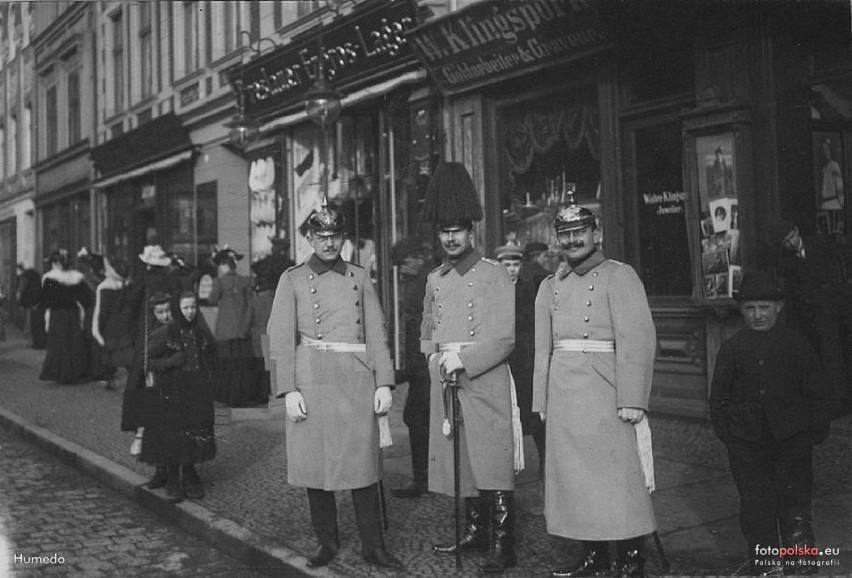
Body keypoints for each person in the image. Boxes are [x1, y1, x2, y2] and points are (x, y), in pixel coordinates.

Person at [265, 197, 403, 570]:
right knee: (317, 468)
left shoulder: (359, 277)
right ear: (310, 237)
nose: (328, 243)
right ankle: (326, 543)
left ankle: (373, 547)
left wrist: (384, 382)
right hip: (312, 380)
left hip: (356, 379)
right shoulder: (292, 279)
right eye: (321, 236)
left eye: (335, 236)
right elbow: (278, 337)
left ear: (343, 238)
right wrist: (288, 389)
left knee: (363, 468)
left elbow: (377, 331)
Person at [533, 202, 657, 578]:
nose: (572, 240)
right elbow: (543, 348)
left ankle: (632, 555)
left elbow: (637, 338)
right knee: (575, 477)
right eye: (565, 235)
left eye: (579, 233)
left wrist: (633, 398)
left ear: (596, 234)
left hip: (606, 390)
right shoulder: (550, 285)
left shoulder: (619, 276)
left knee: (618, 477)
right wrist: (541, 399)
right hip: (565, 393)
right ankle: (595, 555)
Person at [419, 162, 519, 573]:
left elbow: (505, 337)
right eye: (444, 231)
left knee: (491, 460)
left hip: (484, 378)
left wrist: (467, 360)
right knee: (461, 460)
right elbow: (427, 328)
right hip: (446, 378)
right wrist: (432, 360)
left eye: (457, 230)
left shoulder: (494, 275)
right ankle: (475, 533)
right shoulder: (435, 279)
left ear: (471, 231)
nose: (450, 237)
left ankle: (503, 545)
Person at [709, 272, 832, 576]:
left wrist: (812, 433)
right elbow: (718, 398)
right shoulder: (732, 348)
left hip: (792, 442)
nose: (758, 315)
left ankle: (800, 566)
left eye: (764, 307)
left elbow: (818, 393)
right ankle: (766, 567)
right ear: (741, 310)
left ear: (779, 307)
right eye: (750, 308)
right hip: (748, 446)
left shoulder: (797, 346)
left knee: (795, 506)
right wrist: (730, 436)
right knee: (756, 509)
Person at [763, 218, 852, 417]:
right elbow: (795, 291)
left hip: (843, 306)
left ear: (797, 230)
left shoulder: (820, 243)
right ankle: (839, 404)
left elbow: (845, 259)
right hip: (819, 315)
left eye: (792, 237)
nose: (791, 243)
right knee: (830, 357)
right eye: (786, 242)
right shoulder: (785, 261)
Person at [141, 290, 217, 503]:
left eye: (193, 307)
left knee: (194, 433)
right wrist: (170, 362)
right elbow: (146, 361)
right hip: (173, 391)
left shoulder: (200, 331)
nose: (190, 312)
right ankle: (174, 480)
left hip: (196, 391)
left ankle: (191, 475)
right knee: (174, 436)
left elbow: (210, 356)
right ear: (178, 309)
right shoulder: (167, 332)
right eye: (185, 308)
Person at [496, 240, 546, 476]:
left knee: (536, 416)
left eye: (516, 264)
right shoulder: (491, 291)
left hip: (527, 360)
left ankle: (546, 466)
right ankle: (506, 468)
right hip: (504, 363)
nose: (512, 269)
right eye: (507, 264)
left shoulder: (530, 288)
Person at [389, 235, 433, 499]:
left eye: (404, 263)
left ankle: (423, 479)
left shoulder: (424, 283)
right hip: (420, 363)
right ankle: (425, 477)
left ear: (416, 259)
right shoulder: (415, 281)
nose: (402, 269)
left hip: (424, 364)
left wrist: (401, 371)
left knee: (417, 418)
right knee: (419, 418)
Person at [130, 291, 173, 491]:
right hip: (155, 386)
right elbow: (144, 361)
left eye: (168, 311)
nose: (165, 316)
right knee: (157, 433)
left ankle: (174, 472)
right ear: (153, 313)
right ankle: (160, 471)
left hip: (174, 387)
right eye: (160, 312)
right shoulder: (152, 332)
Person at [208, 246, 254, 407]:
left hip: (224, 330)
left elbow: (212, 299)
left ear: (223, 265)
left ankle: (226, 396)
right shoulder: (245, 280)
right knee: (241, 364)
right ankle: (243, 396)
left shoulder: (219, 282)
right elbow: (250, 305)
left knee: (226, 364)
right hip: (242, 329)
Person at [39, 249, 92, 384]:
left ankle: (61, 374)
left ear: (56, 263)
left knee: (59, 343)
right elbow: (87, 298)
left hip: (57, 314)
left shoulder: (49, 278)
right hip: (73, 313)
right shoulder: (77, 277)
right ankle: (76, 373)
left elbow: (45, 300)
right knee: (74, 342)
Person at [92, 257, 133, 390]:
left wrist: (98, 328)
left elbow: (101, 311)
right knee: (127, 352)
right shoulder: (128, 285)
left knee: (109, 354)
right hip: (126, 323)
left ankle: (110, 381)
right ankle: (133, 378)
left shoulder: (104, 287)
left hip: (110, 325)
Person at [16, 262, 45, 349]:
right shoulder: (36, 274)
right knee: (38, 324)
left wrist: (19, 299)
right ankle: (39, 342)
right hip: (38, 301)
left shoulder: (25, 276)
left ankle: (33, 342)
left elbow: (22, 288)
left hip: (29, 302)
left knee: (30, 323)